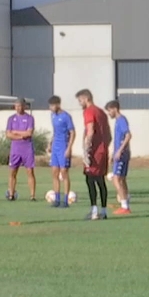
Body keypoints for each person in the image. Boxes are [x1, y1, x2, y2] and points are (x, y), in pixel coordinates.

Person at [76, 89, 110, 220]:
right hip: (103, 151)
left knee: (90, 180)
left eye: (80, 101)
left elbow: (90, 131)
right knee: (101, 181)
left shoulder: (89, 111)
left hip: (94, 151)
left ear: (86, 99)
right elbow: (109, 135)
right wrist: (104, 147)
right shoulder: (101, 112)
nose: (80, 104)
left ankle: (94, 211)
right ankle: (104, 211)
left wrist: (86, 150)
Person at [47, 95, 75, 208]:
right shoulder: (53, 116)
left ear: (58, 104)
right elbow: (55, 132)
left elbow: (72, 132)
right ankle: (57, 199)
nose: (51, 108)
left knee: (64, 173)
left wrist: (69, 148)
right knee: (54, 172)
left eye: (52, 105)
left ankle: (65, 200)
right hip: (55, 147)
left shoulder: (66, 116)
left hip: (64, 146)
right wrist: (50, 144)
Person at [6, 98, 36, 201]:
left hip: (27, 148)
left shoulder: (29, 118)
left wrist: (16, 132)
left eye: (20, 106)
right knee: (12, 172)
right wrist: (21, 136)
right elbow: (8, 134)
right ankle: (11, 194)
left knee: (30, 172)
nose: (18, 108)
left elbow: (29, 133)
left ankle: (32, 196)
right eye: (16, 106)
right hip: (15, 149)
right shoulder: (11, 119)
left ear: (24, 106)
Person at [105, 100, 132, 215]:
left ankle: (124, 206)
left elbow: (128, 135)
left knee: (116, 179)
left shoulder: (121, 120)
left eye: (109, 111)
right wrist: (113, 152)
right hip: (120, 153)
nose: (109, 113)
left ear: (115, 109)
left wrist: (119, 151)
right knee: (122, 179)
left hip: (122, 154)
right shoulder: (118, 121)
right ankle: (125, 202)